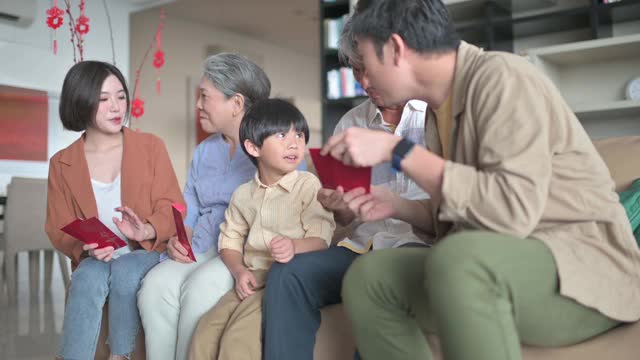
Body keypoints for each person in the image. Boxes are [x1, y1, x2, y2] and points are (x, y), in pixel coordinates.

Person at [321, 1, 640, 360]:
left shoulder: (503, 76)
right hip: (500, 263)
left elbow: (510, 211)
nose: (363, 80)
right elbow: (466, 213)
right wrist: (399, 206)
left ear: (396, 49)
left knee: (459, 257)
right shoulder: (437, 113)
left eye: (365, 62)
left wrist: (399, 151)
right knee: (371, 277)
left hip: (582, 271)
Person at [261, 21, 429, 360]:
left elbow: (450, 204)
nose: (364, 83)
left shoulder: (432, 117)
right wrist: (338, 206)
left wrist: (393, 203)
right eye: (355, 71)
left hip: (417, 245)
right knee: (287, 272)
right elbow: (345, 217)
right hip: (360, 245)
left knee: (377, 281)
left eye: (369, 70)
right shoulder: (351, 122)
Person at [137, 54, 305, 360]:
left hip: (244, 251)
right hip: (201, 246)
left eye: (205, 96)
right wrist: (179, 238)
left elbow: (291, 207)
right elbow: (189, 206)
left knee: (198, 291)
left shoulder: (277, 149)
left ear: (237, 103)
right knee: (154, 285)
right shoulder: (205, 150)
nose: (198, 105)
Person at [45, 60, 184, 360]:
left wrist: (146, 229)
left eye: (120, 96)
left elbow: (172, 206)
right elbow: (58, 225)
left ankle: (121, 355)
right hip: (95, 257)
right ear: (81, 101)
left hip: (144, 253)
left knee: (124, 269)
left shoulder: (150, 147)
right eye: (104, 99)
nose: (116, 107)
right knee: (85, 278)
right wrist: (85, 246)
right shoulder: (62, 162)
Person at [188, 98, 336, 360]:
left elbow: (322, 237)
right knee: (204, 332)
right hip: (252, 277)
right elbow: (229, 242)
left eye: (299, 135)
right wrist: (239, 271)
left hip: (284, 281)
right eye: (281, 135)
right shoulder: (243, 194)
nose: (294, 143)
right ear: (253, 147)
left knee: (239, 338)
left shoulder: (308, 185)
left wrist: (294, 247)